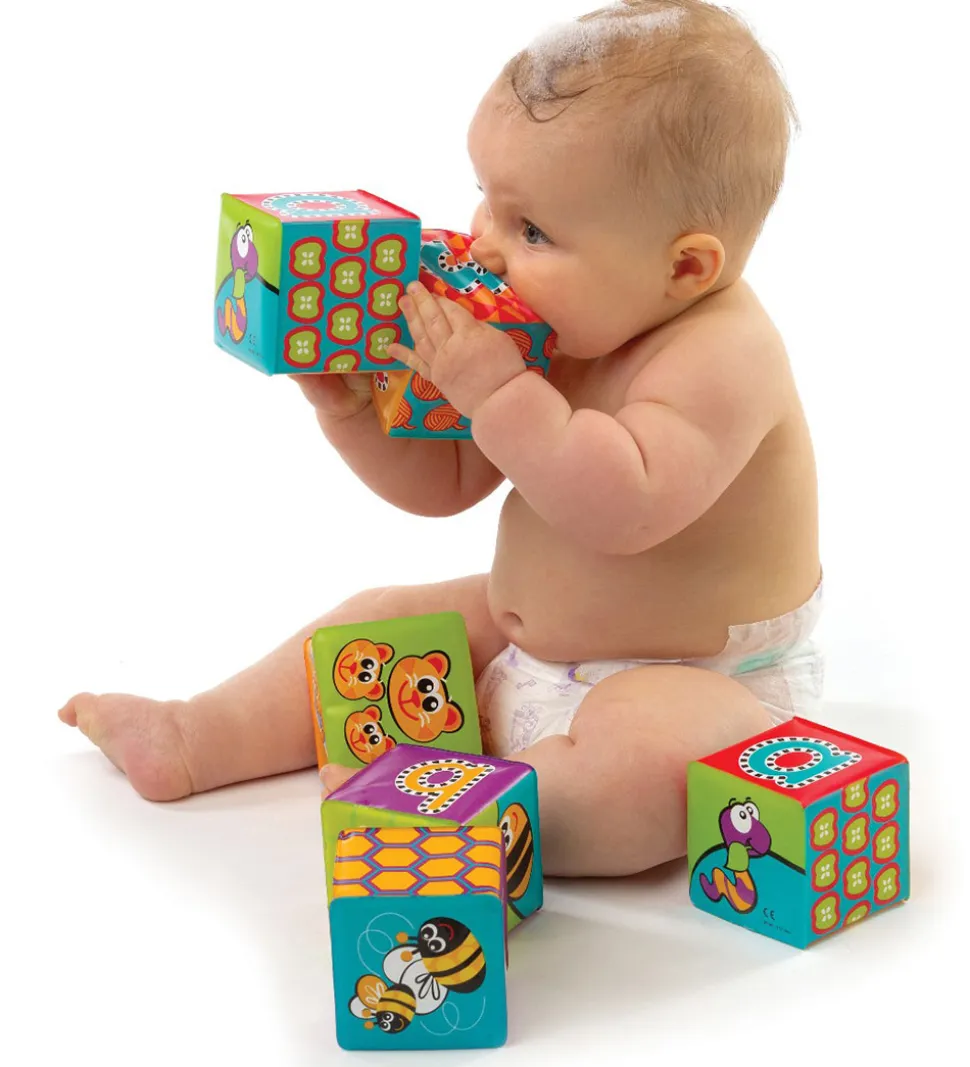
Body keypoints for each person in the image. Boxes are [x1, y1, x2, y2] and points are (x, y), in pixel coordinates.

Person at [59, 0, 822, 878]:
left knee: (646, 763)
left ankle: (455, 816)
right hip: (523, 639)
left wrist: (497, 390)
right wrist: (353, 411)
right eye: (487, 200)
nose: (484, 246)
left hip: (695, 679)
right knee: (376, 620)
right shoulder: (572, 318)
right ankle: (197, 734)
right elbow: (452, 480)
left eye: (532, 230)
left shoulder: (724, 357)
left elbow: (623, 507)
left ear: (685, 266)